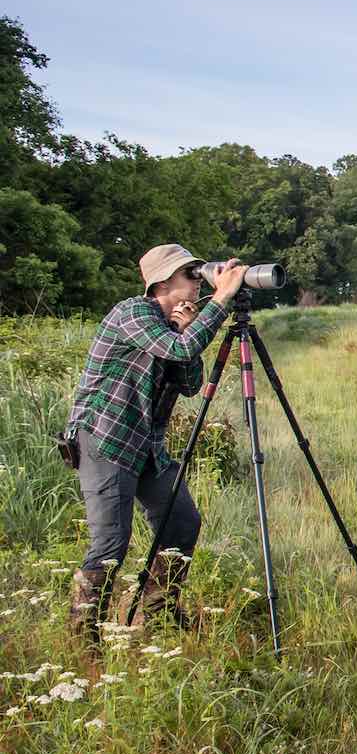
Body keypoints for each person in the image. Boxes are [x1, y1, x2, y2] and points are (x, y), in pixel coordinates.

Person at [64, 246, 249, 639]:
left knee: (182, 522)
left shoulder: (171, 326)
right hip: (105, 437)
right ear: (164, 282)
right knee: (111, 542)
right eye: (191, 276)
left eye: (200, 276)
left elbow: (189, 383)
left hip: (146, 444)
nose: (199, 282)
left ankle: (159, 614)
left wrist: (187, 329)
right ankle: (84, 639)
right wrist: (221, 300)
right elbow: (179, 350)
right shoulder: (132, 312)